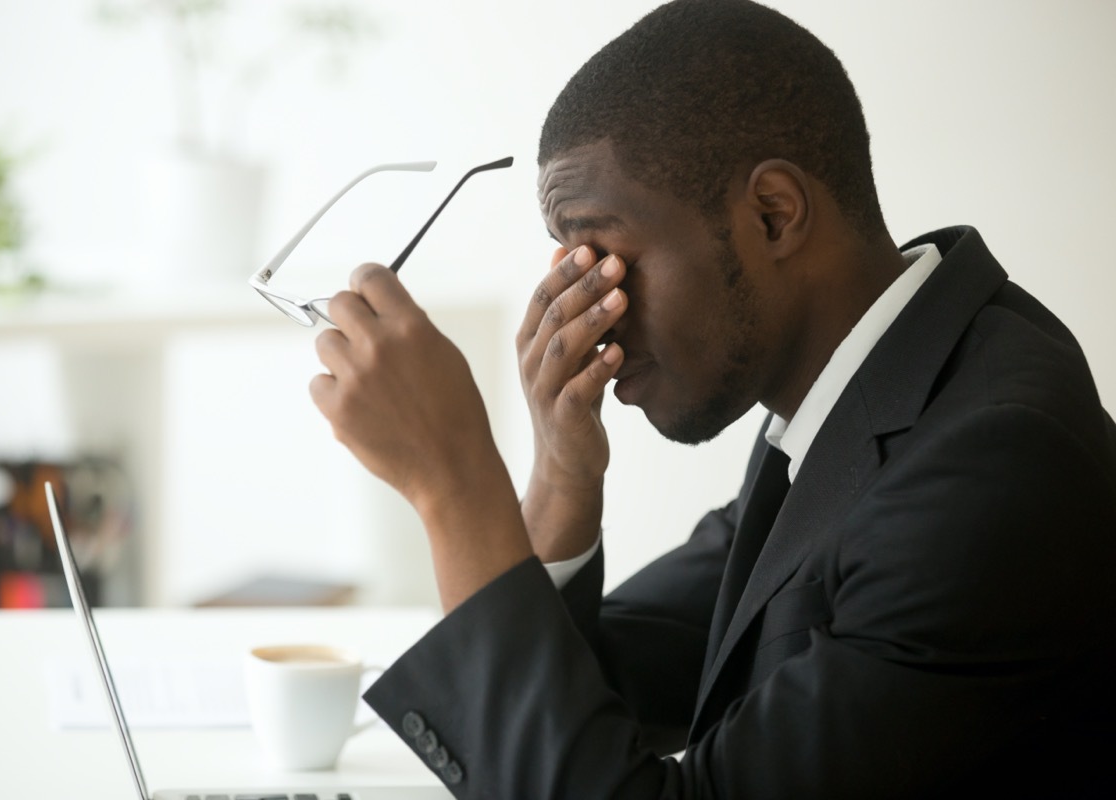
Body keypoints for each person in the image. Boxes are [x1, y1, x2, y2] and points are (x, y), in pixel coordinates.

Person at [307, 0, 1116, 796]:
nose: (591, 317)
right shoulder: (864, 394)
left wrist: (455, 486)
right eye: (573, 268)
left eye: (608, 257)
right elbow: (603, 691)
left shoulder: (992, 467)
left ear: (773, 214)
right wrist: (559, 476)